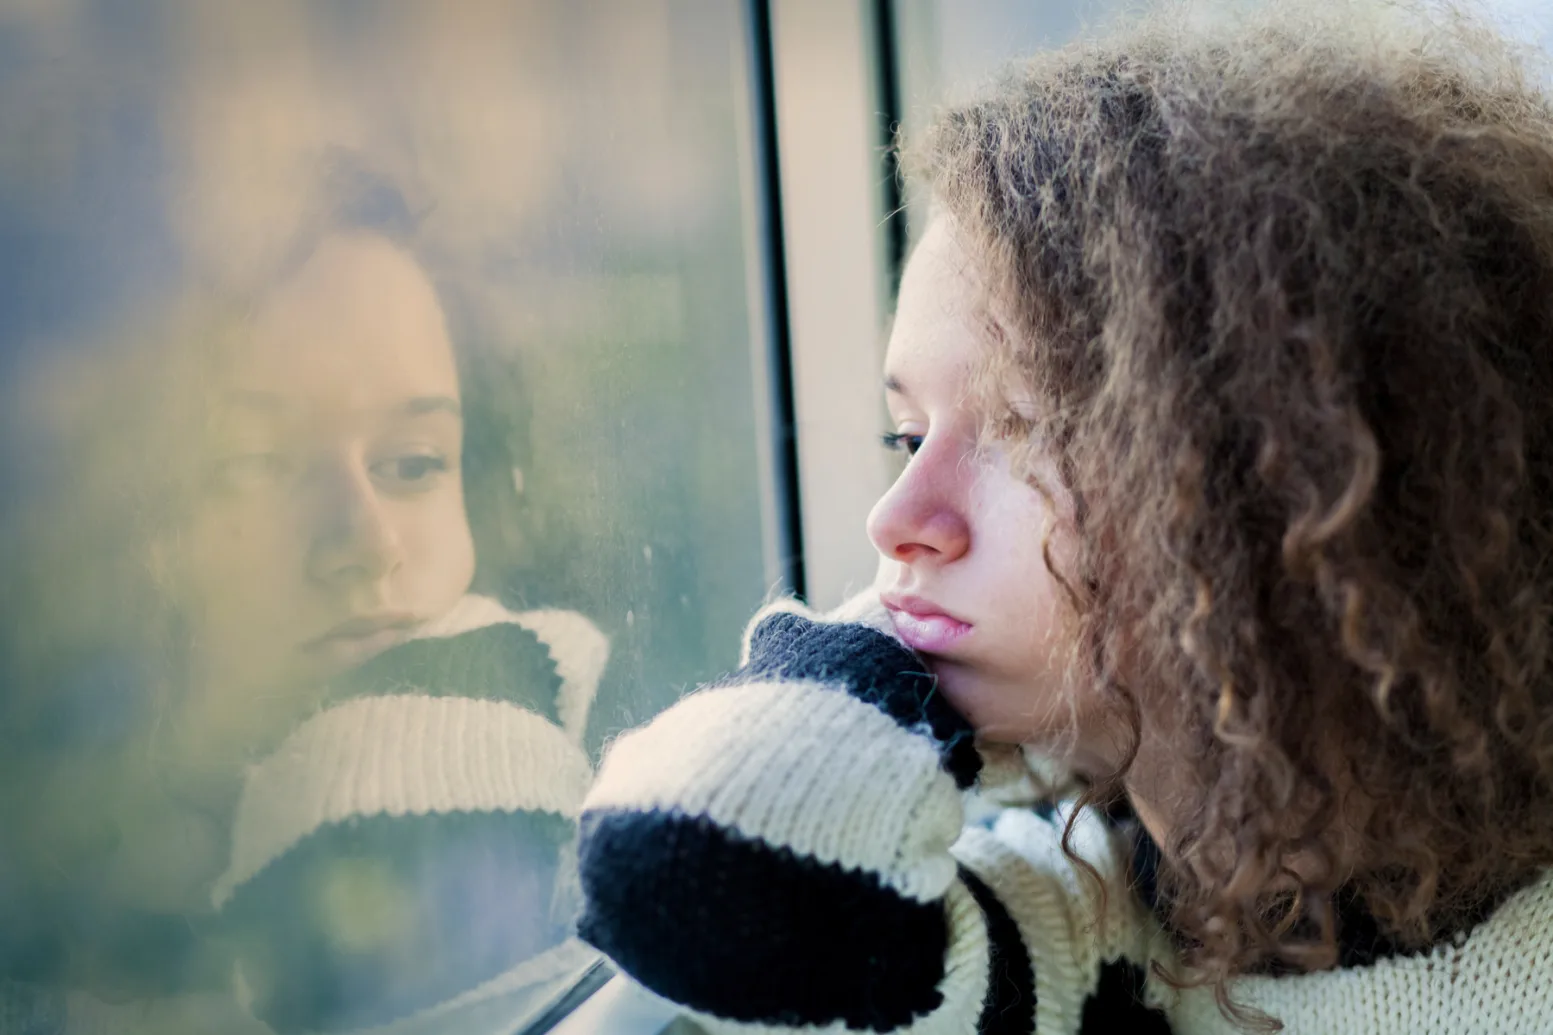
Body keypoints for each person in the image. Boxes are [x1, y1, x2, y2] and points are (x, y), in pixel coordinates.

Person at [573, 4, 1553, 1033]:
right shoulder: (1076, 926)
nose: (896, 518)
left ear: (1287, 479)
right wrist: (878, 658)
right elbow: (674, 875)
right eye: (906, 438)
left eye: (1025, 430)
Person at [0, 156, 608, 1034]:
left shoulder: (523, 760)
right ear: (144, 524)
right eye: (256, 465)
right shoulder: (54, 895)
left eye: (413, 464)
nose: (365, 543)